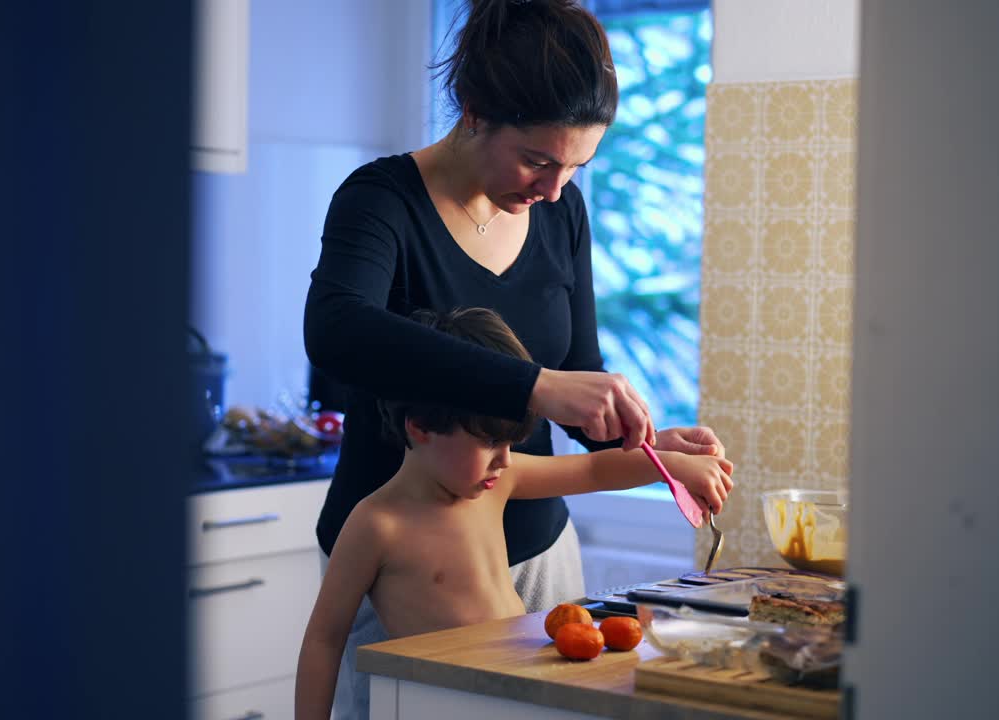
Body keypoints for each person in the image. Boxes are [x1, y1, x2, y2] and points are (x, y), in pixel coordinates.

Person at [302, 1, 727, 716]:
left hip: (538, 557)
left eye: (575, 167)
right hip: (402, 571)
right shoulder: (381, 202)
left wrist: (649, 445)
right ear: (473, 111)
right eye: (537, 159)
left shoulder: (561, 212)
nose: (554, 189)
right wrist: (533, 386)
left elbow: (578, 375)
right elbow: (339, 331)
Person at [294, 308, 733, 720]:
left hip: (519, 691)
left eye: (511, 445)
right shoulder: (376, 524)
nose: (504, 460)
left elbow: (593, 467)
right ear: (420, 427)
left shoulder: (496, 482)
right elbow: (324, 639)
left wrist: (667, 464)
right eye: (489, 443)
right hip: (443, 703)